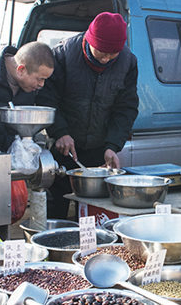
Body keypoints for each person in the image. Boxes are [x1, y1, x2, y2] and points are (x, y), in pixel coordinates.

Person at [38, 12, 139, 218]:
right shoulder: (63, 55)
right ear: (90, 40)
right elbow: (46, 98)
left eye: (113, 54)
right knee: (56, 204)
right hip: (64, 148)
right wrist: (60, 132)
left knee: (92, 210)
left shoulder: (128, 62)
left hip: (99, 150)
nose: (106, 58)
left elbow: (126, 108)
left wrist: (112, 145)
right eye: (102, 52)